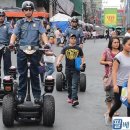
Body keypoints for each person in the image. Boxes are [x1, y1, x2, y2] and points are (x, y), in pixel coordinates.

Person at [9, 1, 48, 104]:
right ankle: (21, 95)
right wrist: (11, 43)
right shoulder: (19, 23)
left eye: (30, 9)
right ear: (23, 11)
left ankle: (37, 96)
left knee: (35, 74)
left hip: (35, 51)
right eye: (26, 9)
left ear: (32, 10)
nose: (28, 11)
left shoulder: (38, 22)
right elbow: (14, 34)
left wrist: (47, 43)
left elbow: (43, 34)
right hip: (22, 50)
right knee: (22, 74)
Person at [105, 37, 130, 125]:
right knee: (118, 104)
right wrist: (115, 85)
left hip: (129, 85)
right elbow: (114, 72)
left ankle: (128, 123)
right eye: (129, 44)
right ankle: (110, 115)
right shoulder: (118, 57)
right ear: (124, 45)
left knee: (129, 104)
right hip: (120, 85)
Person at [56, 34, 85, 106]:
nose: (73, 39)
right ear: (69, 39)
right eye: (71, 38)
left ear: (76, 40)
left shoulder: (78, 48)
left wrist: (83, 63)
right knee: (69, 84)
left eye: (74, 38)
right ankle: (70, 96)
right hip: (68, 68)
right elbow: (61, 55)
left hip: (76, 68)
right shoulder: (65, 48)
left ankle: (75, 99)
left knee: (74, 84)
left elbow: (82, 56)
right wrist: (58, 62)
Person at [100, 37, 121, 117]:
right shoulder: (107, 51)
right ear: (111, 43)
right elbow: (101, 61)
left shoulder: (121, 52)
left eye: (117, 42)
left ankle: (114, 109)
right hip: (108, 77)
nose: (116, 44)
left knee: (116, 95)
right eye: (114, 42)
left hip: (119, 77)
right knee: (108, 94)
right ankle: (109, 110)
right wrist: (107, 62)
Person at [0, 9, 12, 77]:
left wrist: (12, 43)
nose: (1, 17)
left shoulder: (8, 25)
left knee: (7, 64)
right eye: (0, 16)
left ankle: (7, 80)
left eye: (2, 16)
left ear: (4, 17)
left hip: (6, 46)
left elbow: (11, 34)